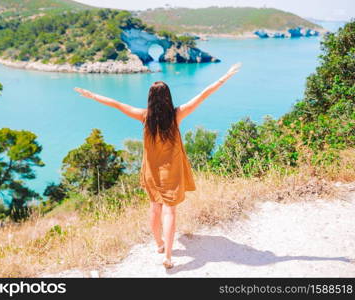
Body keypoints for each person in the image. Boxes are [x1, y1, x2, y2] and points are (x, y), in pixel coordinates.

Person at [74, 62, 241, 269]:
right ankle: (168, 256)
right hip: (172, 172)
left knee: (155, 209)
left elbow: (116, 104)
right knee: (170, 212)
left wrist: (91, 95)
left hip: (151, 172)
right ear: (168, 97)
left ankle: (159, 244)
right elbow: (204, 94)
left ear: (150, 99)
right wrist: (225, 76)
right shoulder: (177, 115)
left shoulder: (144, 116)